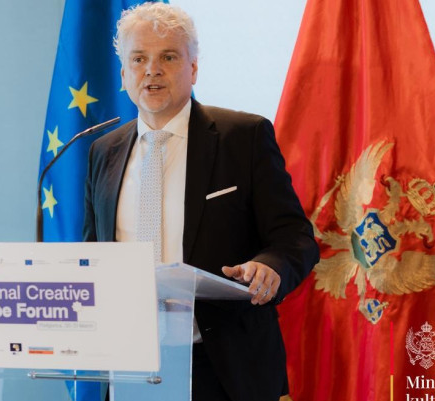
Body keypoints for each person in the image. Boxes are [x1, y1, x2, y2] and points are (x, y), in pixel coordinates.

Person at [82, 3, 319, 400]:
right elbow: (95, 254)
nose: (152, 70)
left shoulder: (243, 137)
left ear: (193, 68)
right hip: (131, 365)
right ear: (123, 74)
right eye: (138, 58)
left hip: (223, 366)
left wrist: (269, 267)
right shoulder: (103, 152)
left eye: (168, 57)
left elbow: (295, 239)